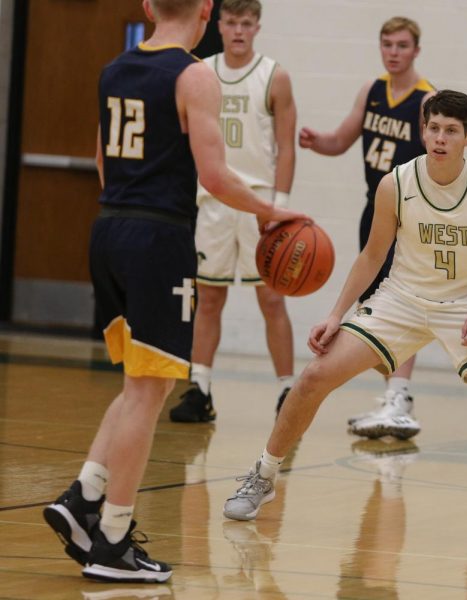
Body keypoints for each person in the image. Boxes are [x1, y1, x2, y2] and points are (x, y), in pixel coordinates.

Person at [223, 90, 467, 546]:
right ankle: (262, 477)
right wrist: (337, 314)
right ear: (423, 131)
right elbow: (372, 254)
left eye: (451, 131)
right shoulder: (395, 183)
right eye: (433, 128)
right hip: (401, 299)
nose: (440, 138)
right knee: (314, 377)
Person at [41, 0, 305, 582]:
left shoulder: (115, 68)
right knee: (151, 393)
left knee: (139, 383)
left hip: (108, 226)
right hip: (157, 238)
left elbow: (101, 159)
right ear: (207, 11)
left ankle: (84, 495)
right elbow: (213, 175)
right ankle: (112, 540)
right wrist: (272, 211)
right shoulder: (194, 74)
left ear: (146, 6)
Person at [298, 16, 435, 439]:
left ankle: (400, 396)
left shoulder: (427, 99)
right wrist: (316, 140)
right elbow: (342, 139)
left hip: (408, 214)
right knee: (375, 304)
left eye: (401, 45)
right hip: (373, 210)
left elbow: (437, 159)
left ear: (416, 50)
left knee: (401, 304)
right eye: (387, 44)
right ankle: (394, 398)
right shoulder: (371, 91)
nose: (393, 52)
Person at [169, 0, 299, 422]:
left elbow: (286, 146)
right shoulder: (198, 72)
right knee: (208, 299)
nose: (239, 30)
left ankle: (287, 391)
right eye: (232, 22)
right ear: (218, 25)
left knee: (272, 300)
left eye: (247, 23)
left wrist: (279, 205)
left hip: (259, 201)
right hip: (212, 202)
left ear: (257, 26)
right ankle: (200, 388)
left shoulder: (274, 76)